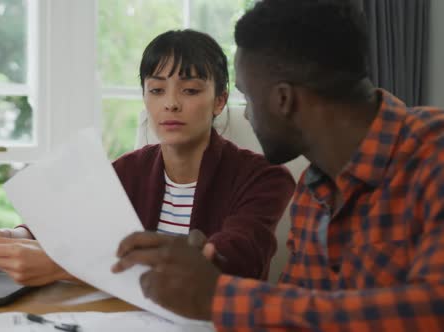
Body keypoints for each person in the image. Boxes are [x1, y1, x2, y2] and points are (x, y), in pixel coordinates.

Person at [111, 0, 444, 330]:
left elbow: (433, 310)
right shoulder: (313, 195)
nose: (246, 115)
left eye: (249, 98)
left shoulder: (434, 151)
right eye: (156, 89)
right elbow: (295, 312)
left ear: (284, 100)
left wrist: (218, 297)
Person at [0, 29, 295, 286]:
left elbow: (228, 264)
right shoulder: (128, 170)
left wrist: (59, 266)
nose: (171, 104)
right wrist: (13, 238)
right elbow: (68, 221)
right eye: (156, 90)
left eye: (190, 90)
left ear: (219, 101)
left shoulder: (265, 179)